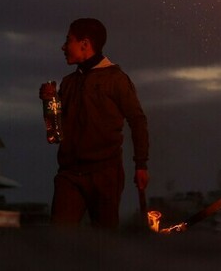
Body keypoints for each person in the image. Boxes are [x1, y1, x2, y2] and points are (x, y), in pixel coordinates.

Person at [39, 18, 149, 228]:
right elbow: (55, 134)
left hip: (105, 173)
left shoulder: (116, 79)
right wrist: (49, 104)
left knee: (105, 246)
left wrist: (141, 165)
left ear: (85, 43)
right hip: (69, 174)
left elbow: (137, 120)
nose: (63, 47)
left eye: (68, 40)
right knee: (59, 241)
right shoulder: (69, 83)